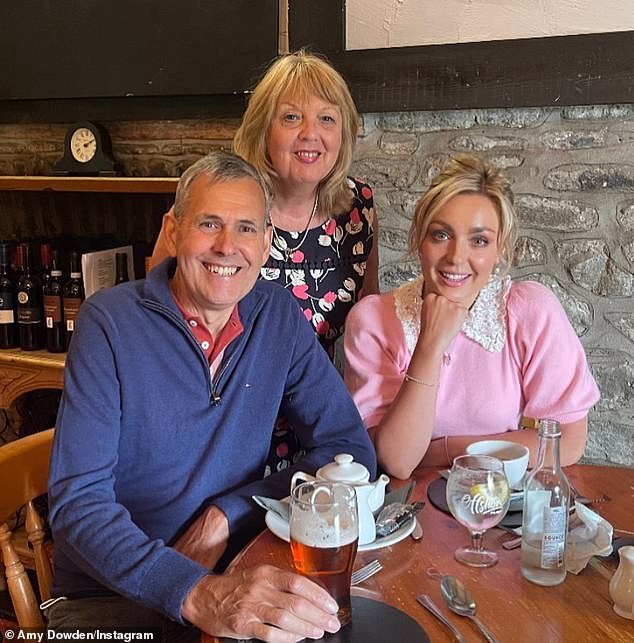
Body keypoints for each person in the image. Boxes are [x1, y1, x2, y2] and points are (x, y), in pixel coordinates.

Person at [47, 151, 377, 642]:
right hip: (109, 602)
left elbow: (350, 451)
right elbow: (78, 505)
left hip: (234, 572)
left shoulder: (277, 316)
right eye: (209, 223)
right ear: (174, 229)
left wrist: (229, 513)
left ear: (267, 243)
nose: (228, 246)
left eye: (246, 228)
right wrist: (195, 591)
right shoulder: (108, 322)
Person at [152, 49, 379, 473]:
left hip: (315, 431)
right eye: (292, 118)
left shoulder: (358, 209)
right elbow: (153, 322)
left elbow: (369, 323)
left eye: (327, 119)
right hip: (220, 435)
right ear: (263, 130)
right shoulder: (224, 204)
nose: (311, 134)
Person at [344, 154, 599, 480]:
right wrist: (430, 345)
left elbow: (569, 439)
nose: (456, 257)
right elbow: (398, 460)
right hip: (408, 512)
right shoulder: (373, 321)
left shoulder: (530, 309)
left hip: (499, 501)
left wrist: (447, 450)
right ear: (420, 240)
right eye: (441, 235)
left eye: (479, 240)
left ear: (501, 249)